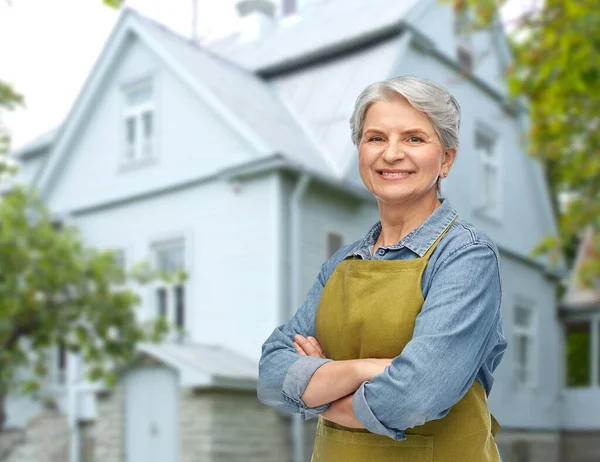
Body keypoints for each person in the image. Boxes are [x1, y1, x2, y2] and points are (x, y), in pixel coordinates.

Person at [257, 76, 507, 461]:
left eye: (414, 139)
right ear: (360, 150)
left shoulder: (465, 256)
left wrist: (318, 389)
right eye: (375, 138)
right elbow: (272, 374)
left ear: (447, 159)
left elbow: (416, 395)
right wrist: (364, 369)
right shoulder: (340, 264)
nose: (391, 154)